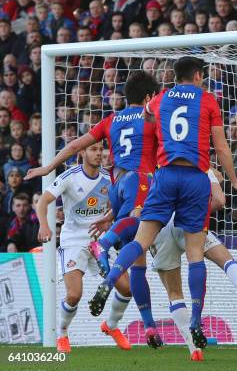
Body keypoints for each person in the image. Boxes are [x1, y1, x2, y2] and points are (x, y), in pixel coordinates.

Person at [89, 56, 237, 351]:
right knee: (196, 252)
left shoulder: (159, 99)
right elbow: (222, 147)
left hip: (161, 176)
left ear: (175, 76)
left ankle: (110, 279)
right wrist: (235, 180)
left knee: (141, 241)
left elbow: (147, 115)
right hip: (195, 178)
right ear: (198, 75)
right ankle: (196, 321)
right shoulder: (208, 100)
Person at [25, 71, 164, 347]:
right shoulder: (152, 117)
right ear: (149, 97)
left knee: (135, 263)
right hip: (138, 180)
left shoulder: (111, 120)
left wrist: (47, 167)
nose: (97, 152)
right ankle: (106, 243)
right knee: (138, 223)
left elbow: (76, 144)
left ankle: (131, 326)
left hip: (116, 185)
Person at [149, 167, 237, 361]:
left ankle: (194, 350)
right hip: (188, 221)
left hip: (160, 226)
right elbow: (220, 200)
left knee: (174, 292)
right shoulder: (201, 167)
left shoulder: (161, 165)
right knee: (226, 260)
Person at [35, 142, 132, 353]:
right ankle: (62, 334)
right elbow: (43, 202)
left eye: (101, 150)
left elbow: (124, 203)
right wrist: (44, 224)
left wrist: (109, 218)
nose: (99, 154)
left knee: (127, 288)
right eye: (93, 150)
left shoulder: (109, 178)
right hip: (73, 242)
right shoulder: (70, 176)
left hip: (100, 242)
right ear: (82, 153)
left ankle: (112, 325)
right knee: (74, 295)